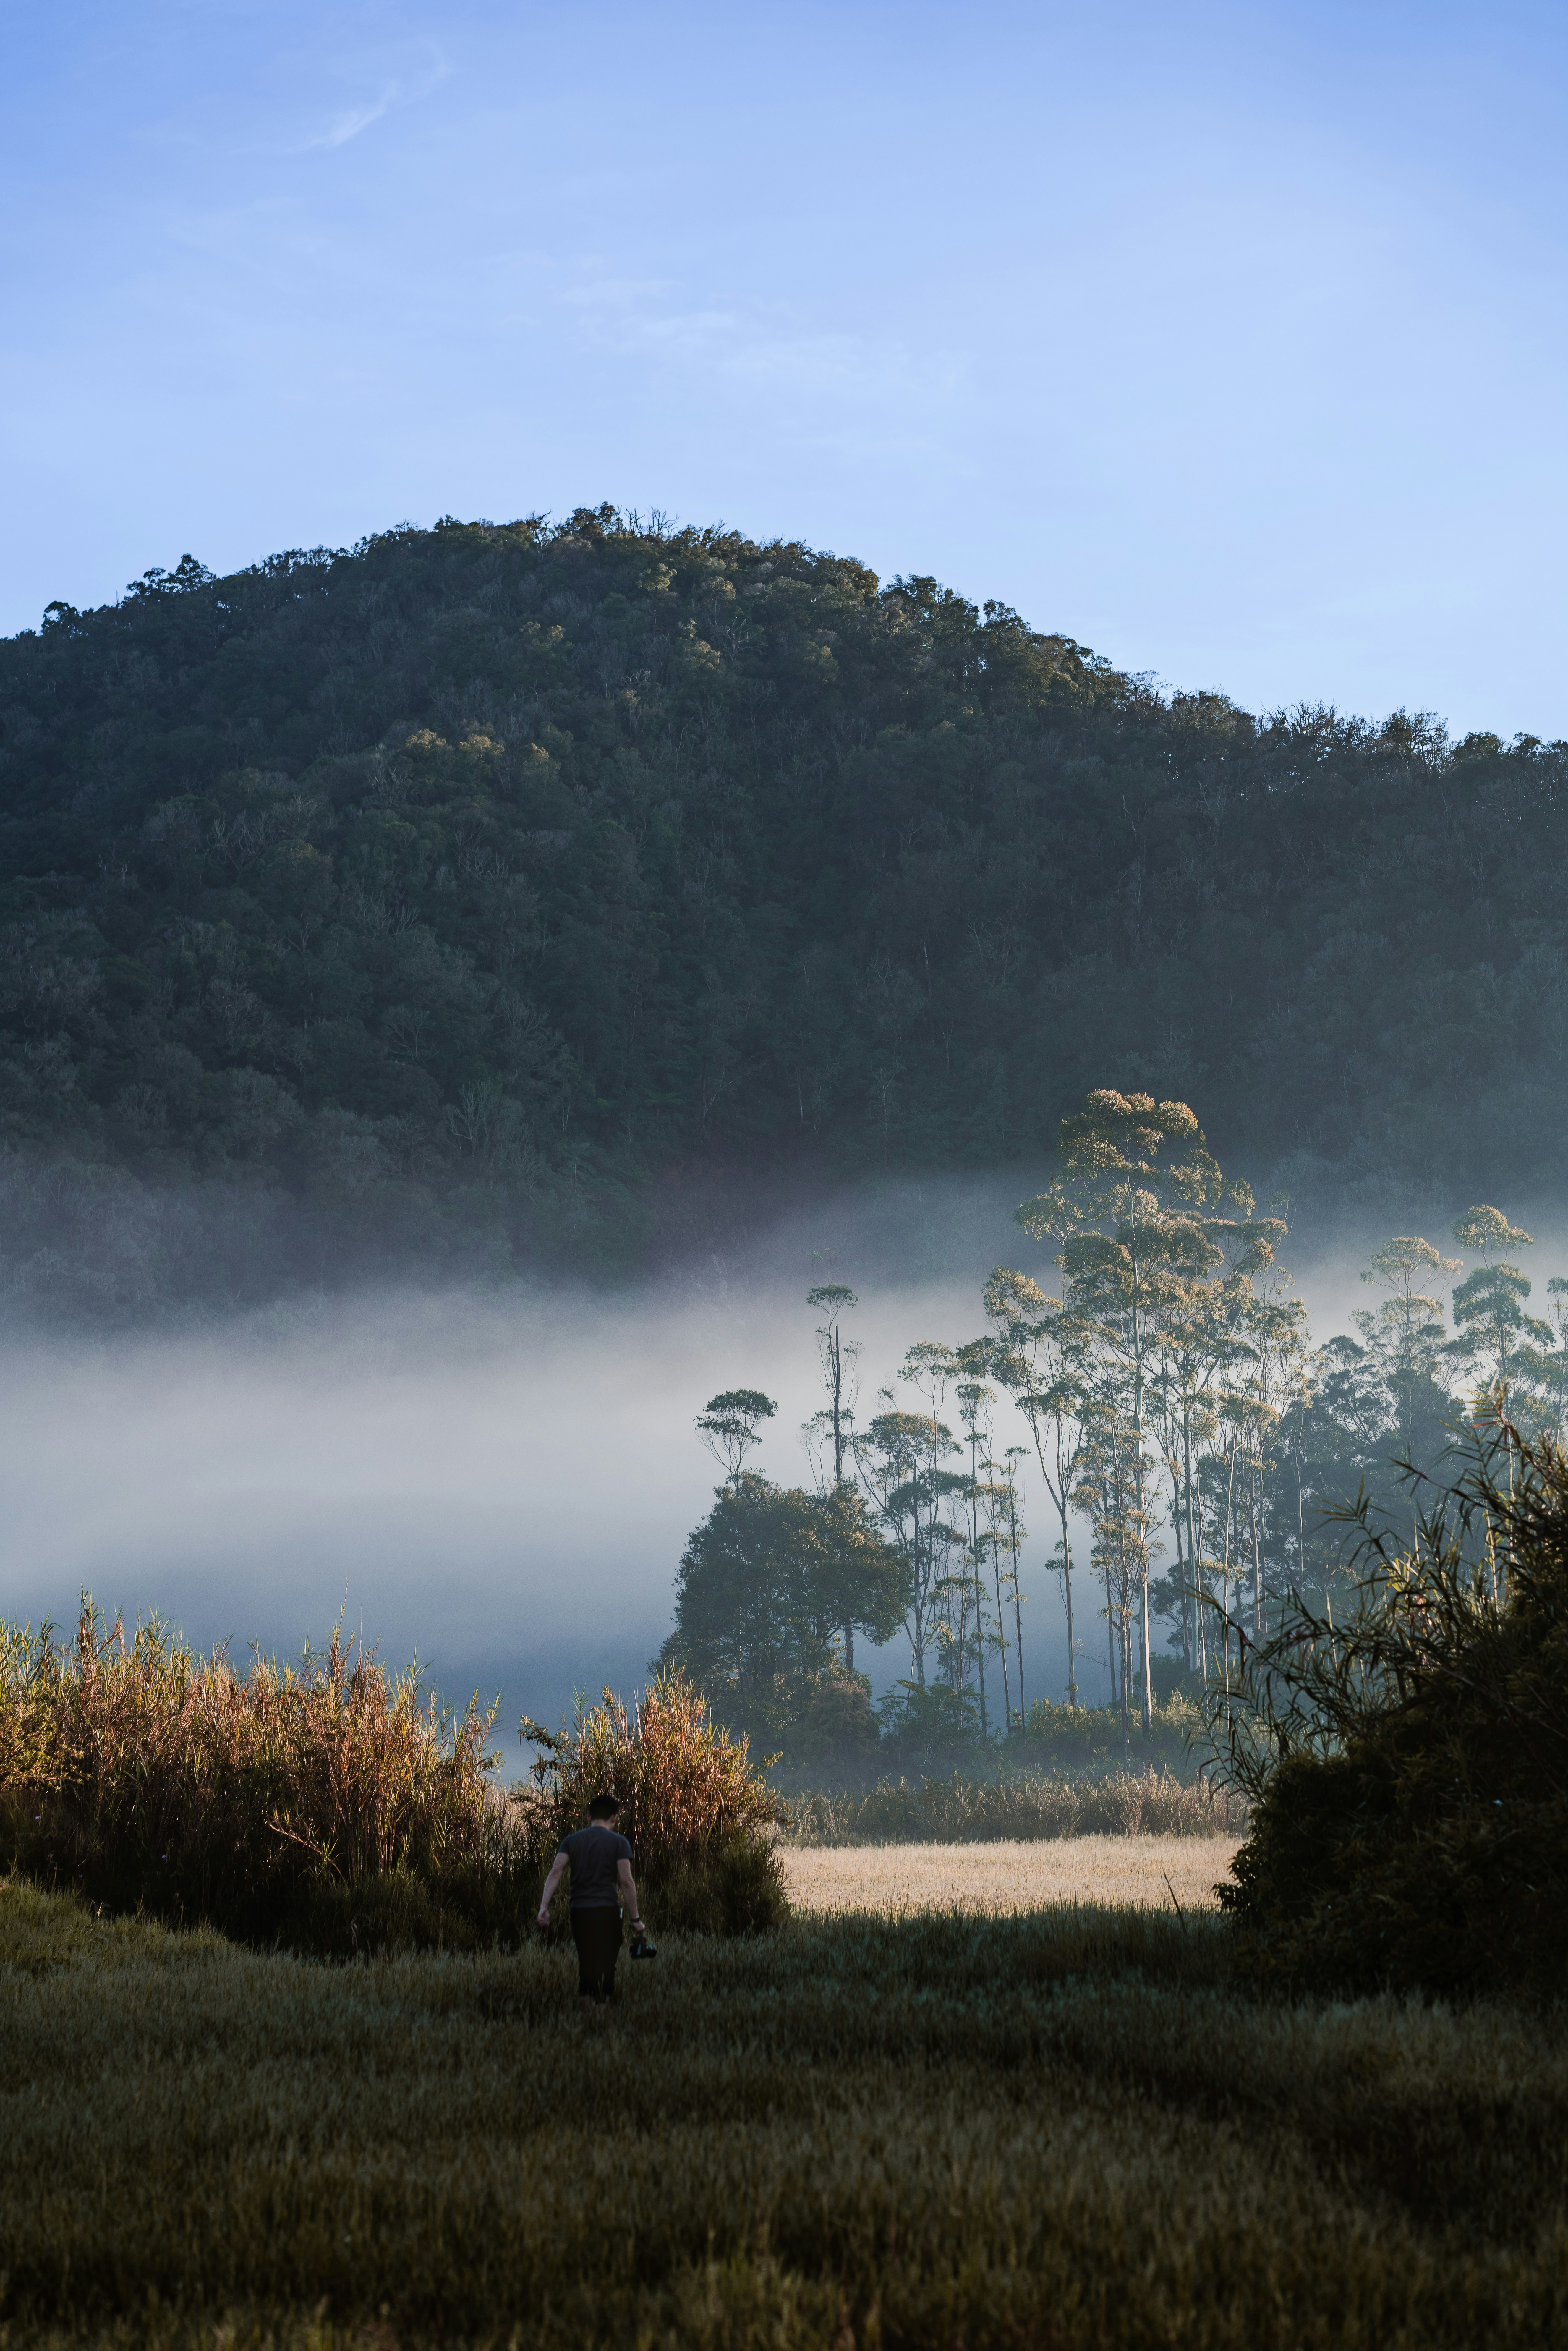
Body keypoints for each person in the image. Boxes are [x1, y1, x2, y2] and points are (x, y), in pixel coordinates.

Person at [536, 1791, 649, 2012]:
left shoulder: (572, 1841)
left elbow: (556, 1872)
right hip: (608, 1912)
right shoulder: (620, 1842)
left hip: (580, 1912)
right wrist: (636, 1920)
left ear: (588, 1817)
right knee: (607, 1964)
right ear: (615, 1818)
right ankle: (600, 2015)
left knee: (587, 1963)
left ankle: (588, 2015)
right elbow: (626, 1881)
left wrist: (544, 1907)